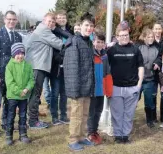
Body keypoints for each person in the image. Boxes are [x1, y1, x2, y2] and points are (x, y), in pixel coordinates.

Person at [63, 12, 96, 151]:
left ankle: (82, 137)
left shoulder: (88, 42)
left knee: (84, 114)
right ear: (80, 26)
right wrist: (74, 89)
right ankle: (73, 140)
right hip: (77, 87)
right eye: (86, 25)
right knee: (76, 115)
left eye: (91, 26)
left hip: (87, 86)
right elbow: (71, 67)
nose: (89, 28)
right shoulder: (74, 41)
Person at [107, 21, 144, 144]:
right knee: (117, 113)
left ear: (129, 35)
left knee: (129, 114)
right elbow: (106, 67)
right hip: (116, 87)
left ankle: (125, 135)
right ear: (117, 37)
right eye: (121, 35)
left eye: (126, 35)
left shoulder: (135, 49)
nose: (124, 37)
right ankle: (118, 135)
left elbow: (141, 67)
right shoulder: (111, 50)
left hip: (132, 87)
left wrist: (139, 85)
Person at [25, 13, 63, 129]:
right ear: (43, 20)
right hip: (37, 65)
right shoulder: (44, 30)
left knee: (34, 93)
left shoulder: (42, 30)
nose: (51, 24)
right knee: (35, 93)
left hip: (36, 65)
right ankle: (33, 121)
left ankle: (31, 118)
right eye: (49, 21)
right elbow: (59, 44)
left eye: (53, 22)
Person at [0, 10, 22, 137]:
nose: (11, 21)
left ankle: (7, 123)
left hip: (12, 75)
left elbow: (19, 57)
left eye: (14, 19)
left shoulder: (18, 36)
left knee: (10, 100)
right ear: (4, 19)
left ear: (16, 20)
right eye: (9, 19)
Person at [4, 43, 34, 145]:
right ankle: (9, 136)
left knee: (23, 115)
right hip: (13, 96)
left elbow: (31, 80)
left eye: (22, 53)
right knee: (11, 115)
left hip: (24, 97)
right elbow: (10, 82)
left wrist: (27, 89)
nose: (20, 56)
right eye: (17, 53)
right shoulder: (9, 66)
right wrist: (19, 91)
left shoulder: (28, 65)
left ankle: (23, 135)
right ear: (13, 54)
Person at [87, 32, 113, 145]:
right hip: (92, 88)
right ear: (93, 42)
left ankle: (95, 130)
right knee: (91, 111)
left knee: (99, 110)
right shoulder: (90, 54)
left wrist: (108, 89)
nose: (100, 44)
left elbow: (107, 72)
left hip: (100, 89)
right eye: (98, 42)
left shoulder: (105, 56)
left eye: (102, 42)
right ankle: (90, 132)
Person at [49, 10, 73, 125]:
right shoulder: (53, 32)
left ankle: (63, 115)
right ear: (56, 20)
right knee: (55, 92)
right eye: (59, 18)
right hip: (56, 67)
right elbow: (53, 50)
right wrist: (62, 56)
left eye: (63, 17)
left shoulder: (70, 31)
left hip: (68, 68)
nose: (61, 19)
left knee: (64, 93)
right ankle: (54, 116)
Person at [136, 28, 159, 128]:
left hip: (149, 79)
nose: (151, 39)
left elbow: (160, 57)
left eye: (152, 37)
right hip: (137, 79)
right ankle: (128, 119)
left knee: (149, 101)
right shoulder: (138, 47)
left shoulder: (156, 48)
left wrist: (157, 63)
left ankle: (149, 120)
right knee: (134, 100)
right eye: (148, 37)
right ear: (144, 37)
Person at [151, 23, 163, 123]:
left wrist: (158, 62)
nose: (157, 31)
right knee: (153, 95)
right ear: (153, 30)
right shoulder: (150, 41)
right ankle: (153, 117)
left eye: (159, 29)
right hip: (152, 72)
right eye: (155, 29)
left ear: (162, 30)